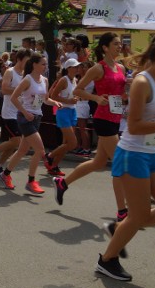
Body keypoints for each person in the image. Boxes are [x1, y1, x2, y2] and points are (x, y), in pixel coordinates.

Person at [95, 36, 155, 282]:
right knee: (138, 215)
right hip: (132, 154)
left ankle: (119, 229)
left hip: (152, 154)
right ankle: (107, 260)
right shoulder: (142, 81)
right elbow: (134, 126)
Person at [54, 33, 126, 219]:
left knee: (99, 162)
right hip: (103, 119)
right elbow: (79, 90)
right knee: (120, 165)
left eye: (120, 44)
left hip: (116, 117)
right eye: (116, 44)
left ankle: (63, 183)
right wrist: (95, 98)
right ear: (105, 48)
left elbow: (121, 92)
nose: (120, 46)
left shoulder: (121, 68)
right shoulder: (98, 68)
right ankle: (123, 211)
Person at [1, 54, 61, 194]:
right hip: (24, 118)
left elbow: (45, 99)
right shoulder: (27, 79)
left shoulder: (44, 80)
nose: (45, 67)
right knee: (40, 150)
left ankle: (5, 174)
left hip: (36, 118)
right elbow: (14, 98)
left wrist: (55, 102)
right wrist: (25, 112)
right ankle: (31, 181)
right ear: (34, 64)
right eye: (43, 64)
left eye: (46, 64)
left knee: (22, 150)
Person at [0, 49, 30, 175]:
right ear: (19, 59)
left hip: (20, 111)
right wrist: (20, 90)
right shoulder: (10, 72)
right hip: (9, 112)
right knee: (17, 141)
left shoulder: (26, 74)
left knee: (14, 144)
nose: (28, 63)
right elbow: (4, 90)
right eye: (26, 60)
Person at [46, 58, 81, 176]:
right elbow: (53, 95)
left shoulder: (75, 80)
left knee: (65, 143)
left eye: (77, 67)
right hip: (63, 112)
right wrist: (69, 100)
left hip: (72, 112)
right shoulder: (63, 80)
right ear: (68, 68)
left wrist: (75, 99)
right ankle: (49, 156)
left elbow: (73, 96)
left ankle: (54, 166)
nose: (77, 69)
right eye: (75, 67)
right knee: (72, 143)